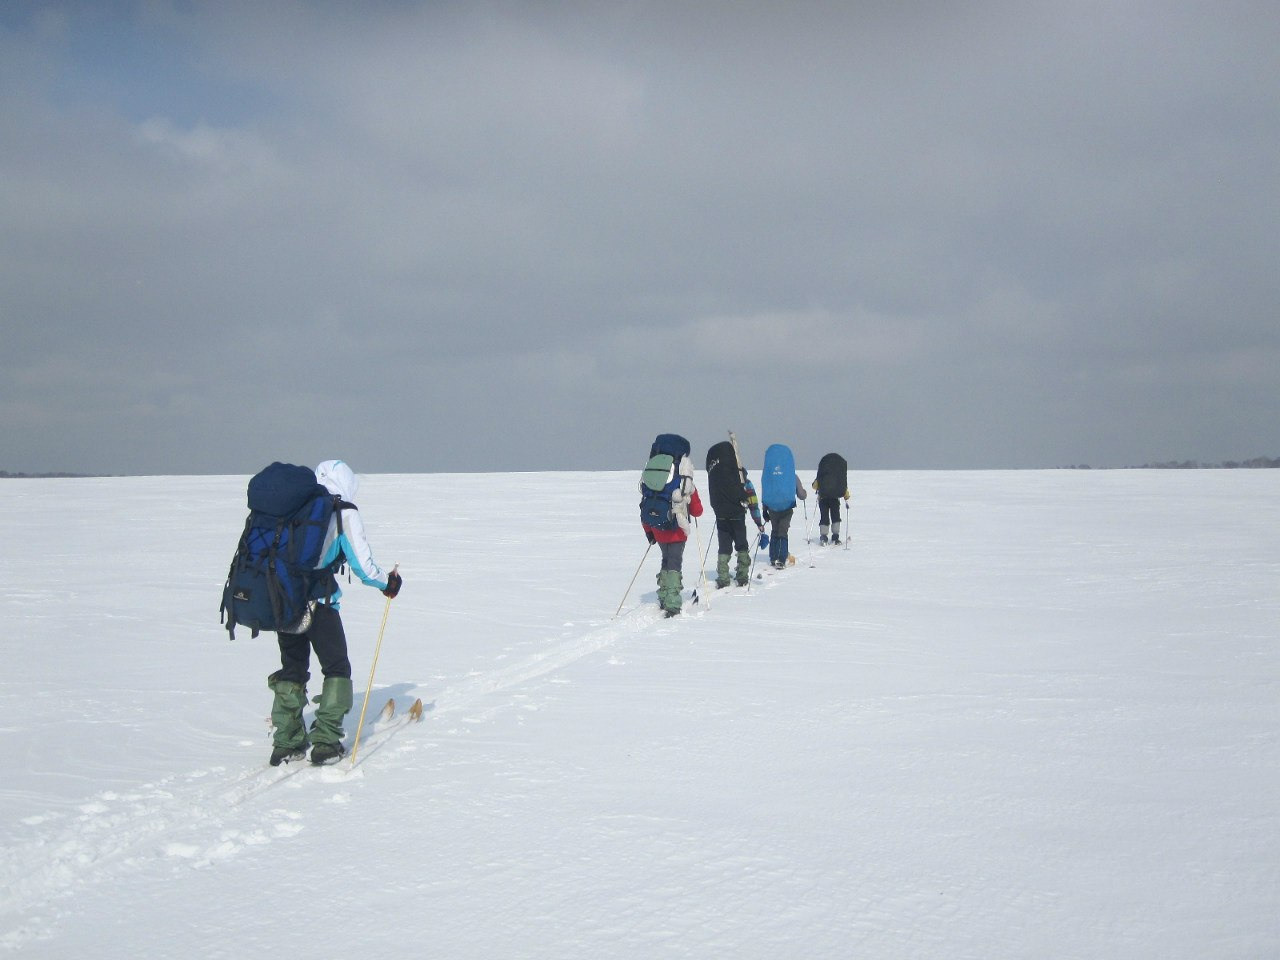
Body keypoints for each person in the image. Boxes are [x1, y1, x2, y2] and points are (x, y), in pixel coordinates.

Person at [268, 460, 402, 766]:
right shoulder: (343, 511)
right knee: (336, 667)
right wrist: (389, 583)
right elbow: (363, 567)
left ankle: (286, 742)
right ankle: (326, 742)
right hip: (320, 602)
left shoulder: (291, 505)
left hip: (283, 600)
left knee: (292, 668)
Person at [641, 443, 704, 617]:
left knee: (666, 560)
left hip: (657, 529)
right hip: (677, 531)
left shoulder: (653, 482)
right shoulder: (684, 482)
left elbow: (646, 506)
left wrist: (649, 531)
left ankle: (664, 595)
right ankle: (672, 603)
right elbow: (698, 511)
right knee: (674, 563)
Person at [706, 439, 765, 588]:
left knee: (724, 546)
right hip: (737, 516)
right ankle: (742, 576)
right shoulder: (744, 481)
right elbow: (753, 503)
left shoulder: (718, 480)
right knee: (741, 545)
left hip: (721, 515)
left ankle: (723, 578)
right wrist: (758, 522)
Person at [762, 473, 807, 568]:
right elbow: (801, 495)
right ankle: (781, 558)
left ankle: (773, 557)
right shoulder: (791, 475)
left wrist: (765, 509)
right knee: (783, 531)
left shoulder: (771, 475)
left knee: (775, 530)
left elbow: (766, 492)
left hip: (772, 507)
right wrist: (804, 494)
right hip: (787, 507)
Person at [811, 452, 851, 545]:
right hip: (835, 498)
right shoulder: (838, 478)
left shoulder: (822, 475)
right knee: (835, 516)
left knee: (824, 516)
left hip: (823, 498)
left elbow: (814, 486)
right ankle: (835, 537)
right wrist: (846, 496)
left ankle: (824, 537)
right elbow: (844, 489)